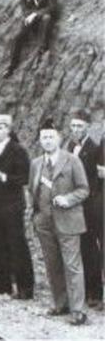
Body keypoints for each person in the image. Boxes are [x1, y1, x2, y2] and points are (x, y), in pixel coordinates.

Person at [30, 119, 90, 326]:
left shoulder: (72, 161)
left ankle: (78, 310)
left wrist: (68, 199)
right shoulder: (36, 164)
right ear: (39, 140)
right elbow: (33, 191)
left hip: (69, 221)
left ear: (59, 139)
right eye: (44, 137)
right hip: (44, 222)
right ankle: (60, 303)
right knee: (52, 264)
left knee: (72, 265)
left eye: (51, 137)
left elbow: (84, 189)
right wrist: (36, 217)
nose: (47, 141)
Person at [0, 113, 34, 301]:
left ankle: (25, 288)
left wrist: (3, 177)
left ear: (9, 130)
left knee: (17, 244)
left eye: (2, 127)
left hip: (12, 204)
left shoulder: (17, 150)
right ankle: (2, 284)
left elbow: (24, 177)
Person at [65, 110, 103, 309]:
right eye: (73, 126)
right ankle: (79, 289)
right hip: (72, 205)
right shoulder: (70, 146)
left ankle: (95, 292)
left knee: (89, 248)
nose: (76, 130)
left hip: (87, 206)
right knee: (76, 248)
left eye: (80, 126)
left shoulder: (95, 148)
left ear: (88, 126)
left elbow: (95, 181)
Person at [5, 0, 59, 77]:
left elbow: (51, 7)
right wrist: (26, 13)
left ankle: (41, 52)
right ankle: (11, 67)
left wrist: (35, 14)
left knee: (46, 18)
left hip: (43, 20)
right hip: (31, 18)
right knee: (18, 38)